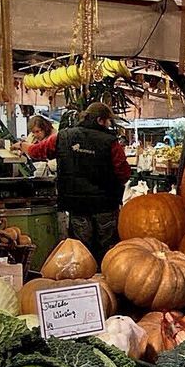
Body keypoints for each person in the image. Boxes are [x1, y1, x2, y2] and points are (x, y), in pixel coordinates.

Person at [20, 102, 131, 262]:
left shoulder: (63, 136)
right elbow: (124, 173)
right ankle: (106, 281)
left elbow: (37, 151)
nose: (108, 124)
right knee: (108, 252)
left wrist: (23, 146)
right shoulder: (110, 142)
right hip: (105, 205)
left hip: (77, 205)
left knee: (81, 252)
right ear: (100, 120)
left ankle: (84, 284)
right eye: (107, 121)